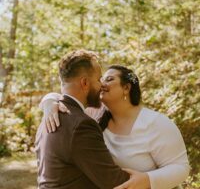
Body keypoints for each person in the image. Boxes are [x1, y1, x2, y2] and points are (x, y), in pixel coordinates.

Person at [40, 59, 190, 189]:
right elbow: (68, 97)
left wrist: (147, 180)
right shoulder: (91, 116)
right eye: (101, 79)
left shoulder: (157, 123)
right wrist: (49, 101)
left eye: (109, 79)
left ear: (126, 88)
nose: (101, 84)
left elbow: (181, 168)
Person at [35, 50, 133, 189]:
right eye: (99, 79)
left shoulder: (49, 118)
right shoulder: (81, 125)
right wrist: (152, 178)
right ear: (85, 83)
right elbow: (112, 181)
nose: (102, 85)